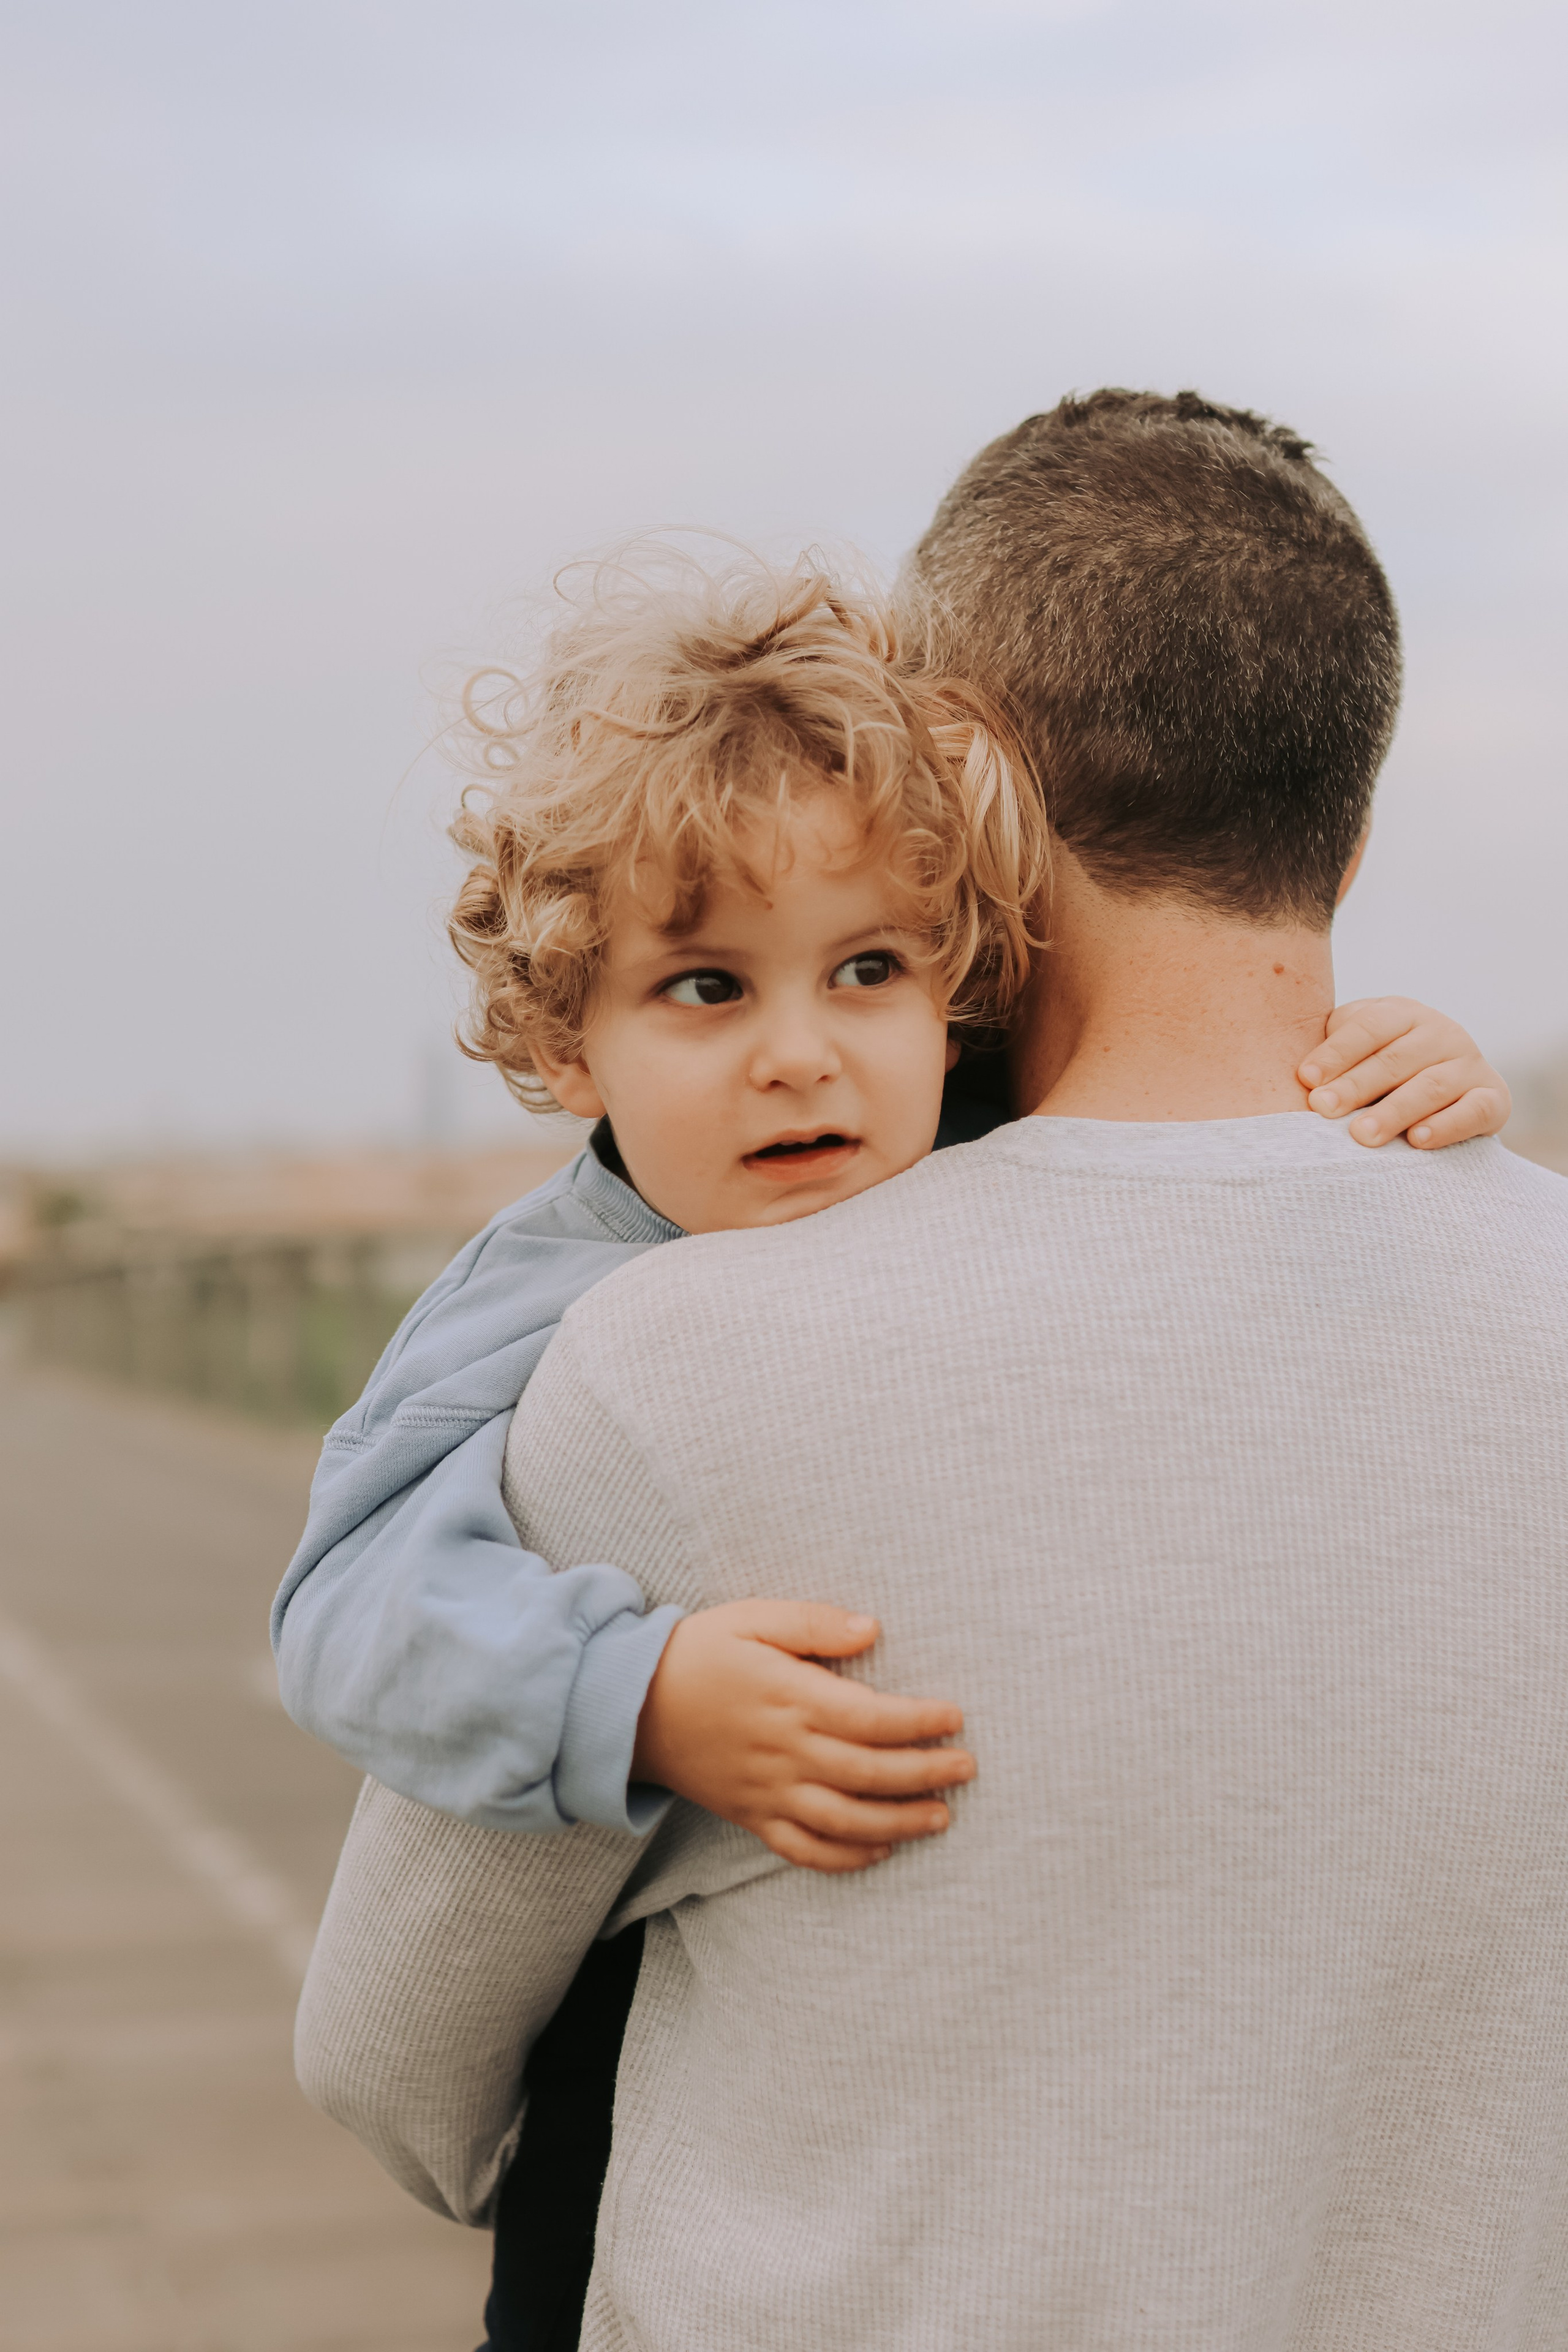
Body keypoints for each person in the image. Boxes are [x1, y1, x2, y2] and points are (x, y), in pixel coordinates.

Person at [295, 393, 1567, 2351]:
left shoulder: (676, 1367)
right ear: (1354, 823)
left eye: (859, 969)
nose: (800, 1051)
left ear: (958, 793)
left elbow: (391, 2062)